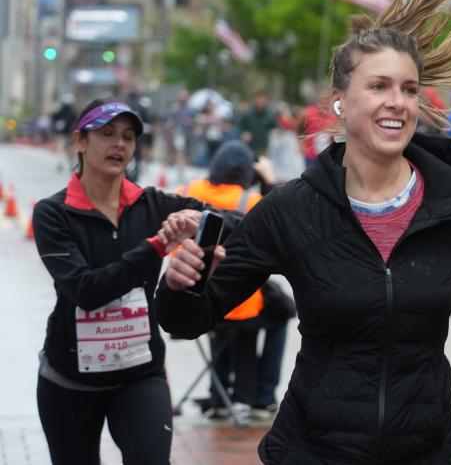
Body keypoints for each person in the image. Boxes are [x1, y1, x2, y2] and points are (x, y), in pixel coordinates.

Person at [155, 0, 451, 464]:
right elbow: (192, 318)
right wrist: (179, 285)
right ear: (340, 102)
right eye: (379, 86)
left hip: (425, 451)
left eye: (409, 89)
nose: (398, 101)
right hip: (314, 450)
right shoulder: (291, 209)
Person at [31, 98, 230, 465]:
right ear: (80, 140)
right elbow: (86, 291)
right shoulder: (53, 213)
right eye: (107, 134)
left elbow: (230, 222)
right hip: (69, 382)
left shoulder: (151, 204)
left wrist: (201, 224)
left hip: (139, 376)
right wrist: (157, 246)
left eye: (128, 136)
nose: (119, 144)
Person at [176, 140, 294, 420]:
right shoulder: (249, 201)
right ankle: (262, 396)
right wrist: (268, 180)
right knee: (284, 310)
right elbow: (285, 225)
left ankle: (220, 396)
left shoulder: (186, 192)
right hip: (238, 305)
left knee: (237, 317)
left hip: (186, 299)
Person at [237, 91, 277, 156]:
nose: (261, 103)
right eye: (259, 100)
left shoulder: (271, 116)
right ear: (255, 100)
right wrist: (243, 134)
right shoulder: (247, 115)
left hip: (264, 150)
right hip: (248, 149)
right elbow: (238, 129)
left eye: (263, 101)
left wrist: (274, 132)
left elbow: (276, 128)